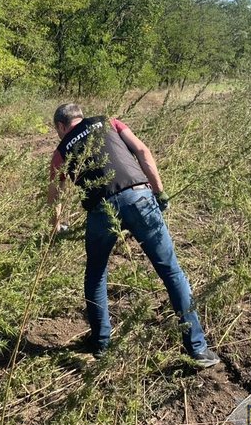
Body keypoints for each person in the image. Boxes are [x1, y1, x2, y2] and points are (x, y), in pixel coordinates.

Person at [47, 103, 220, 368]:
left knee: (95, 275)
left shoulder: (61, 152)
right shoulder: (109, 122)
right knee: (171, 272)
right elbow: (142, 150)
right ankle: (198, 349)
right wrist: (159, 192)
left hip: (100, 210)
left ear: (61, 126)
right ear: (80, 116)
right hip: (139, 196)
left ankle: (102, 346)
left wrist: (56, 226)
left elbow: (55, 194)